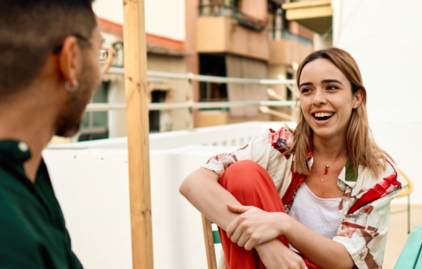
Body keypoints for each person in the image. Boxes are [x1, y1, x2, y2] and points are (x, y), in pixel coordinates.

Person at [180, 47, 402, 269]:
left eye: (331, 88)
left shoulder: (378, 174)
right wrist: (270, 247)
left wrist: (283, 224)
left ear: (356, 97)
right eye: (307, 90)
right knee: (241, 173)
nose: (317, 99)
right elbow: (193, 184)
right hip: (267, 264)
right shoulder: (280, 147)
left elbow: (346, 260)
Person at [0, 0, 112, 268]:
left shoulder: (30, 174)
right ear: (70, 59)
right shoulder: (11, 237)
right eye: (100, 53)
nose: (100, 75)